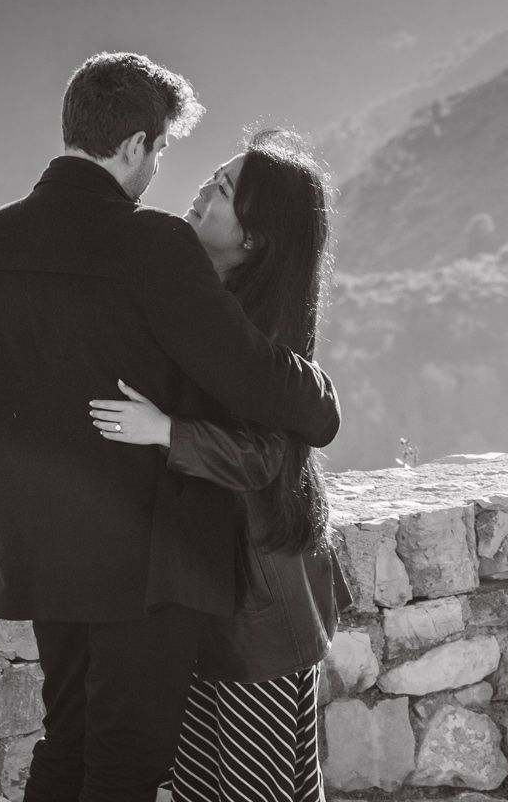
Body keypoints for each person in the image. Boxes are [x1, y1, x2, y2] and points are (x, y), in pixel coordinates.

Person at [0, 54, 341, 802]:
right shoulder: (150, 245)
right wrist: (317, 397)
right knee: (126, 763)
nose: (164, 169)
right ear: (133, 144)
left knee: (65, 740)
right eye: (161, 148)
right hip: (143, 562)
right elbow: (265, 386)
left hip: (38, 545)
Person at [90, 129, 346, 802]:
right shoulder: (207, 306)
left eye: (225, 189)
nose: (205, 187)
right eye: (214, 175)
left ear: (254, 238)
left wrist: (165, 432)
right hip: (213, 595)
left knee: (256, 789)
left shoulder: (255, 332)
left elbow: (267, 455)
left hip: (257, 604)